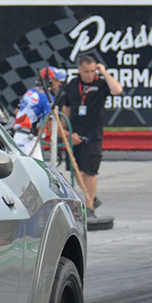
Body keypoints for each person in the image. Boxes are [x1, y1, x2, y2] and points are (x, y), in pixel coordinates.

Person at [56, 52, 124, 212]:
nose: (90, 74)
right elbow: (67, 108)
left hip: (93, 135)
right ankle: (91, 197)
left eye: (93, 71)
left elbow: (117, 90)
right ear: (79, 70)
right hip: (74, 133)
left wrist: (104, 72)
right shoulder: (73, 84)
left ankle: (89, 205)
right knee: (77, 171)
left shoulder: (100, 84)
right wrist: (64, 132)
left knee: (90, 171)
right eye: (87, 71)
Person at [11, 67, 68, 158]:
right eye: (56, 80)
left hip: (19, 136)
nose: (59, 83)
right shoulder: (46, 98)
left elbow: (17, 111)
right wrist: (70, 137)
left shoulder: (31, 92)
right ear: (49, 81)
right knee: (36, 170)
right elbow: (50, 124)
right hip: (28, 140)